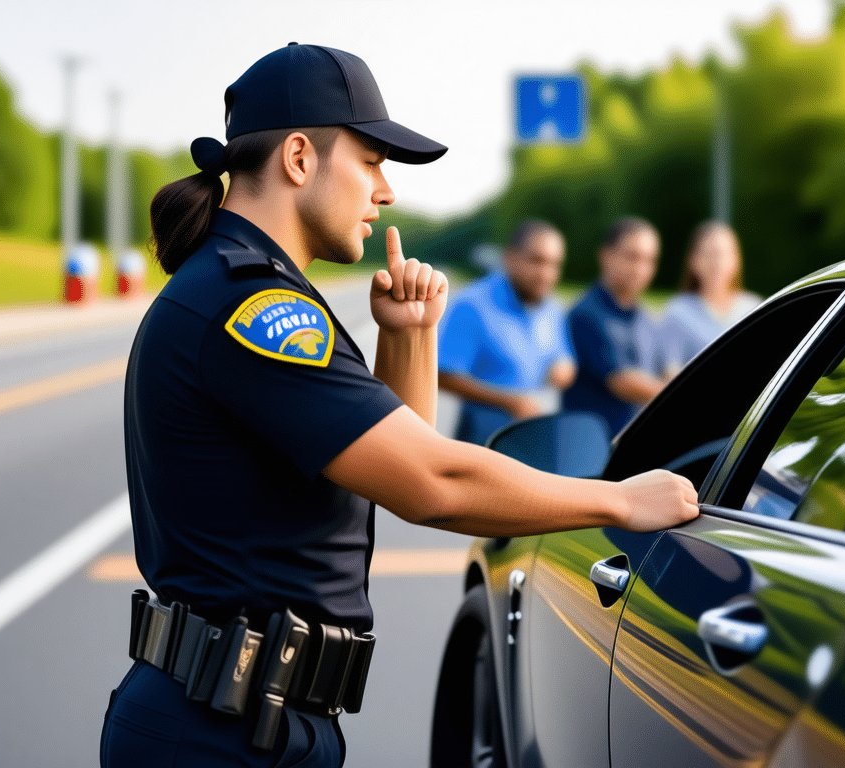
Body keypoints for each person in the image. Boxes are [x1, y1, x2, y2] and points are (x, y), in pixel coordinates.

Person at [100, 44, 698, 768]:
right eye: (372, 161)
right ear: (298, 158)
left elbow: (392, 462)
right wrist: (618, 503)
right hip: (221, 731)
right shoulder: (254, 308)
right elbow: (433, 484)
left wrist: (410, 338)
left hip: (242, 717)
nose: (384, 192)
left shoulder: (253, 289)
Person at [437, 220, 576, 445]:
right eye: (537, 261)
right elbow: (443, 375)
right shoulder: (472, 304)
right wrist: (509, 401)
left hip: (537, 439)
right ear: (510, 257)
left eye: (554, 264)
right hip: (483, 443)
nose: (546, 274)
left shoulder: (552, 308)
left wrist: (564, 367)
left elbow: (564, 358)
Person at [562, 217, 669, 436]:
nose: (640, 268)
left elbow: (665, 370)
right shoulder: (585, 314)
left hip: (637, 445)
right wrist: (687, 396)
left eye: (649, 260)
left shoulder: (647, 319)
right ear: (606, 255)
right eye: (632, 257)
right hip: (594, 451)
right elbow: (622, 382)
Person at [659, 220, 763, 375]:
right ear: (692, 261)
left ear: (737, 259)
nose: (716, 263)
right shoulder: (678, 313)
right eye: (708, 254)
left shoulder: (755, 308)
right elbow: (670, 373)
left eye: (722, 254)